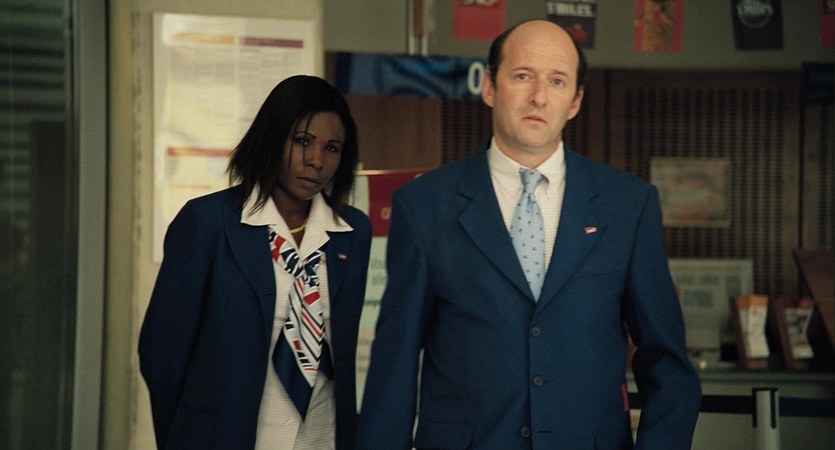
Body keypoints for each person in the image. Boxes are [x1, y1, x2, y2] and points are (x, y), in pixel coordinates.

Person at [356, 20, 701, 449]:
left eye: (557, 81)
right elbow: (395, 363)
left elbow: (667, 361)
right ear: (489, 87)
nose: (539, 96)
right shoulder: (425, 205)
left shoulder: (627, 205)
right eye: (523, 76)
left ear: (575, 101)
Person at [139, 75, 371, 449]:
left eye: (331, 148)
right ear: (271, 138)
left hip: (321, 436)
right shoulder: (208, 223)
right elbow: (163, 354)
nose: (316, 161)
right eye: (302, 141)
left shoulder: (352, 231)